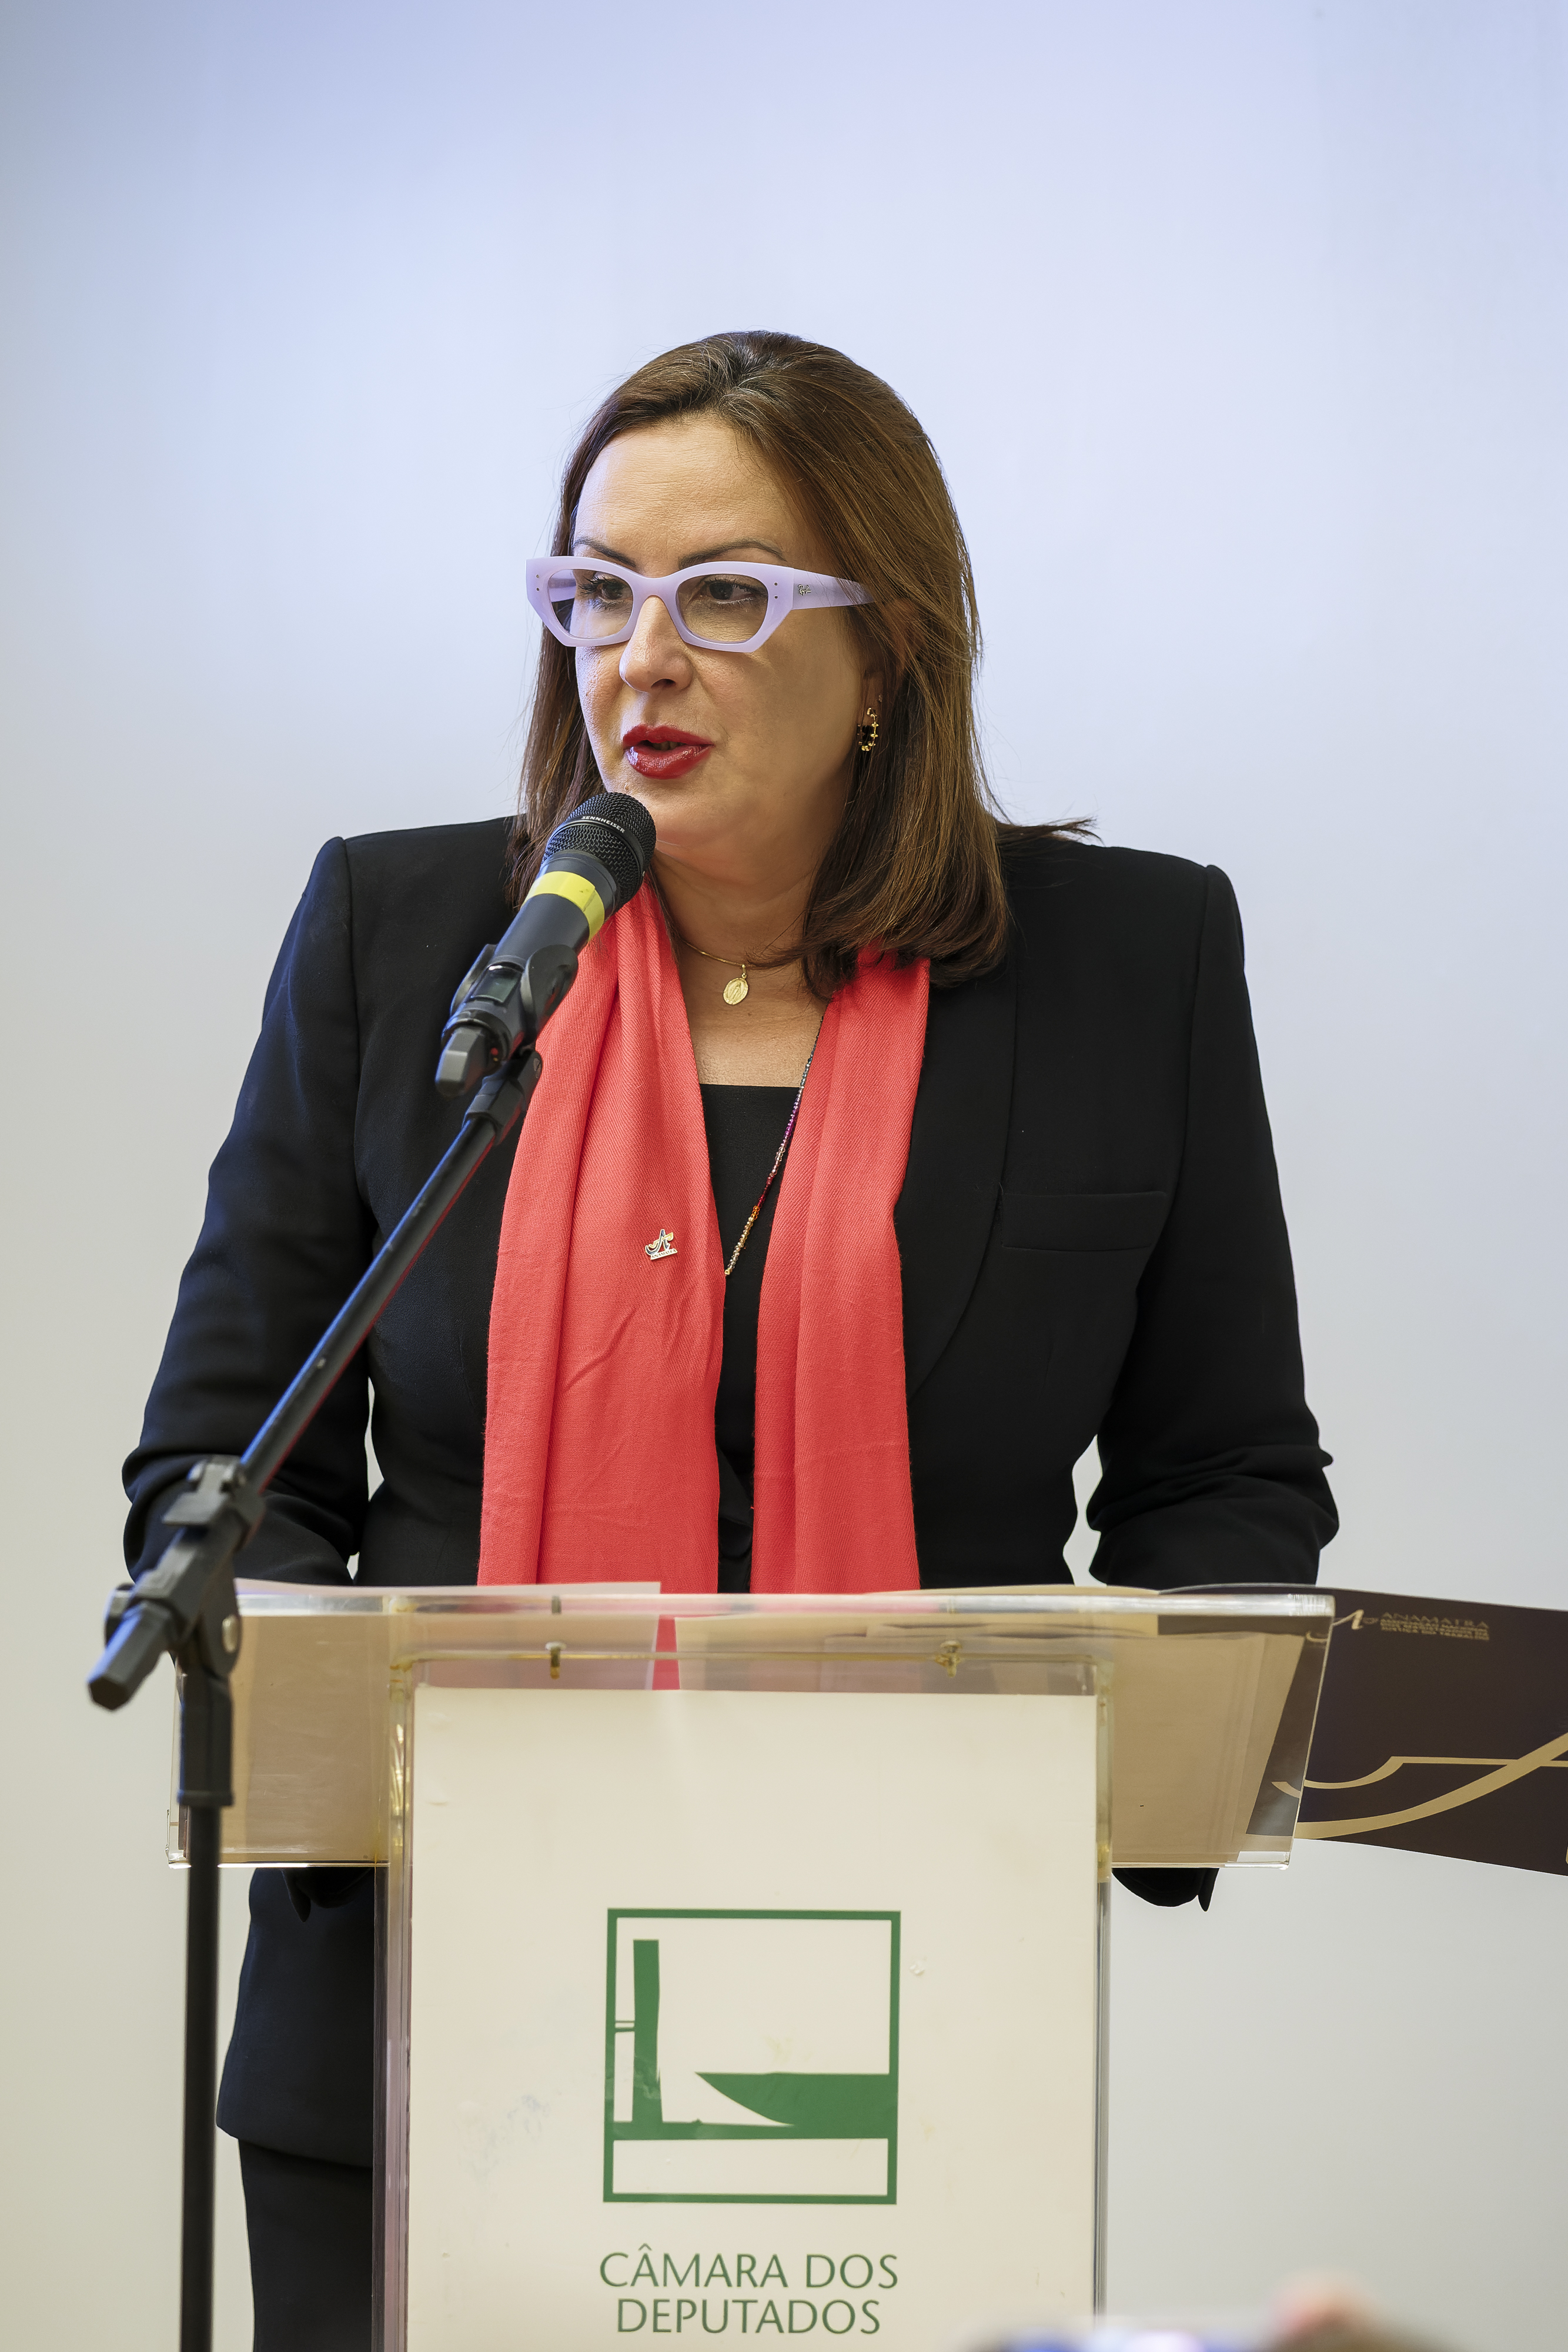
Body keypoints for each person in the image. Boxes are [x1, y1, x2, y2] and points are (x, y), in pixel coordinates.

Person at [124, 330, 1336, 2348]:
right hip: (414, 2023)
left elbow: (1221, 1468)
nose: (640, 660)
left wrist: (1154, 1768)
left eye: (722, 596)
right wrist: (348, 1760)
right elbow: (227, 1461)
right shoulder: (413, 949)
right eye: (596, 594)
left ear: (888, 650)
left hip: (906, 2028)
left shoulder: (1128, 970)